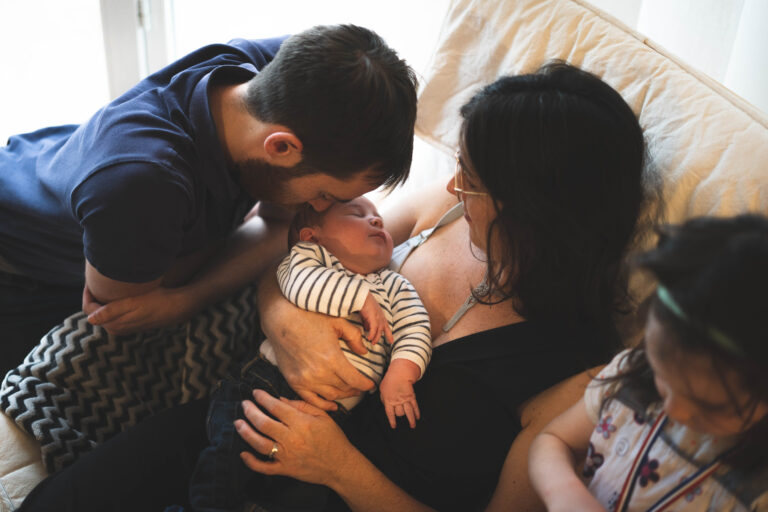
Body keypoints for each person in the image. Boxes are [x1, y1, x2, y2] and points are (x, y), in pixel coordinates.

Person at [17, 62, 655, 512]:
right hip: (241, 414)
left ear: (532, 211)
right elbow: (302, 240)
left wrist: (339, 468)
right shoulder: (448, 210)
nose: (454, 186)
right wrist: (285, 324)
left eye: (473, 179)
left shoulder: (576, 375)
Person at [0, 24, 418, 375]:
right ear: (281, 148)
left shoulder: (274, 75)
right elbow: (129, 306)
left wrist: (189, 293)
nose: (325, 210)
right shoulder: (140, 185)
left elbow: (277, 226)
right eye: (325, 194)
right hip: (20, 264)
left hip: (56, 166)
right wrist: (186, 297)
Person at [190, 197, 431, 511]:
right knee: (225, 471)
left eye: (378, 217)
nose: (376, 221)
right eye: (358, 214)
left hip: (334, 418)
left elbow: (415, 326)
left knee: (301, 499)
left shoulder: (395, 285)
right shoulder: (309, 259)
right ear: (311, 235)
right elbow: (299, 284)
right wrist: (358, 298)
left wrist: (402, 372)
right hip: (265, 388)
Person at [527, 215, 768, 512]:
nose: (673, 409)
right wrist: (563, 492)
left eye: (708, 406)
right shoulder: (629, 378)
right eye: (663, 379)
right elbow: (552, 440)